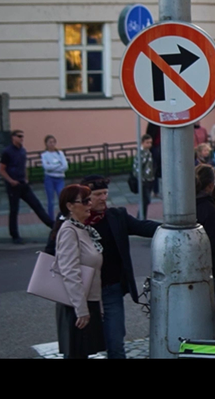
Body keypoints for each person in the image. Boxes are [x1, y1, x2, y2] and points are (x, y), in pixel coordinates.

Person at [66, 175, 159, 359]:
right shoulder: (74, 223)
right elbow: (55, 255)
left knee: (116, 345)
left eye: (105, 193)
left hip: (111, 291)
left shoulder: (116, 216)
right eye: (97, 194)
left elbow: (143, 227)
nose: (103, 198)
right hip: (81, 294)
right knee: (79, 348)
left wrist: (175, 227)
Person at [53, 184, 105, 359]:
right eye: (84, 201)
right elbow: (69, 271)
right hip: (75, 305)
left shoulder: (82, 229)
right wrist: (81, 309)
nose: (89, 204)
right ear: (70, 206)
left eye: (89, 200)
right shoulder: (69, 231)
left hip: (86, 301)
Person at [0, 129, 53, 244]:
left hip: (23, 184)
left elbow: (24, 166)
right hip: (13, 185)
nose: (21, 138)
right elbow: (1, 169)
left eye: (22, 136)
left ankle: (52, 225)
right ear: (13, 137)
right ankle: (15, 235)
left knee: (36, 205)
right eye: (19, 136)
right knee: (14, 210)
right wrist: (10, 181)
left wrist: (26, 178)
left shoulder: (22, 151)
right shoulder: (7, 152)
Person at [194, 164, 215, 300]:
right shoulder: (210, 209)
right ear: (209, 186)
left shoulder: (187, 205)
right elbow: (214, 242)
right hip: (208, 267)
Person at [41, 134, 69, 221]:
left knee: (61, 197)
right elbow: (46, 167)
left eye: (53, 142)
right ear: (46, 144)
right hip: (49, 179)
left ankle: (64, 217)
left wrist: (53, 166)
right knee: (51, 201)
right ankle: (51, 220)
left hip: (59, 178)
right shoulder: (44, 155)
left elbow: (65, 166)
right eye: (50, 142)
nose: (52, 144)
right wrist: (58, 165)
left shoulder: (60, 153)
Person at [135, 134, 156, 220]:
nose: (149, 144)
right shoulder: (141, 153)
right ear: (142, 142)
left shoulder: (148, 152)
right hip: (144, 180)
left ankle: (142, 217)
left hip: (149, 179)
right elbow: (137, 168)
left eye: (150, 142)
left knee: (146, 201)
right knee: (145, 200)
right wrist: (141, 180)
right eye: (147, 142)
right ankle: (141, 217)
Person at [145, 122, 162, 197]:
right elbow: (149, 135)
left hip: (162, 147)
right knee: (154, 170)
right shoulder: (153, 124)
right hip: (155, 148)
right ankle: (155, 190)